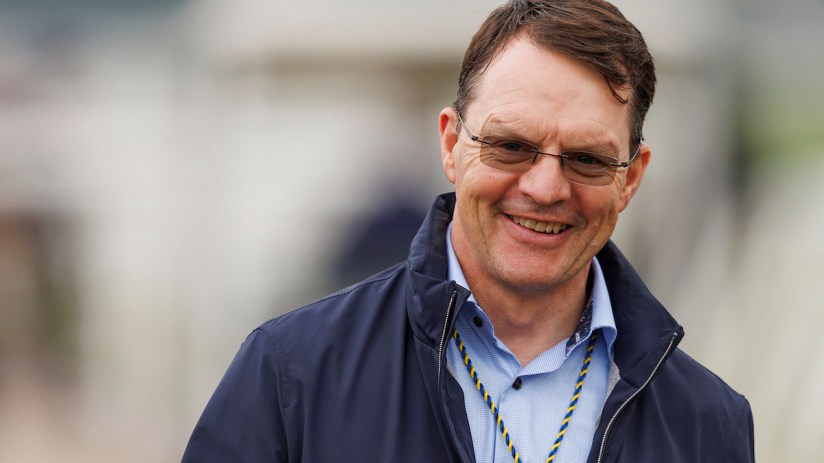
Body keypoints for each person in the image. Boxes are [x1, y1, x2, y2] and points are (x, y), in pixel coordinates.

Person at [182, 1, 755, 461]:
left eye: (586, 159)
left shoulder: (709, 424)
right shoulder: (290, 375)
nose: (545, 188)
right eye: (511, 146)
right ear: (452, 145)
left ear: (630, 178)